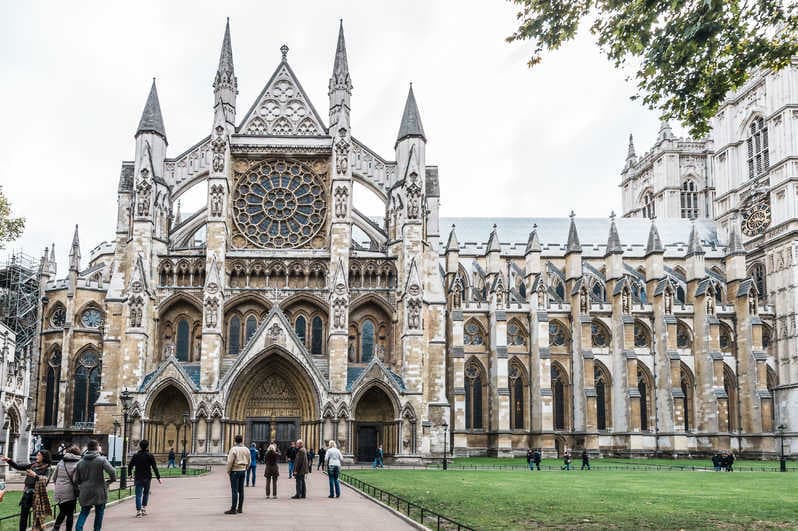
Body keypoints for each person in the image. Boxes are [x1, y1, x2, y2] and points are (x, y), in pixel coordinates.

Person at [3, 449, 52, 531]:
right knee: (23, 517)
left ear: (44, 457)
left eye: (39, 455)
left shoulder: (47, 468)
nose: (37, 456)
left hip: (37, 495)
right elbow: (19, 466)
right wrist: (9, 460)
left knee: (38, 518)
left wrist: (35, 475)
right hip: (27, 494)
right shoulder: (33, 465)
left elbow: (45, 480)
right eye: (37, 455)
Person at [75, 439, 117, 531]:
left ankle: (78, 529)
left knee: (84, 512)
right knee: (99, 513)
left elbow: (76, 479)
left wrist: (82, 485)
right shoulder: (101, 460)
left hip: (85, 491)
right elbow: (112, 471)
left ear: (88, 448)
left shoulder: (80, 462)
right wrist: (110, 481)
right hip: (99, 490)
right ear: (97, 447)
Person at [127, 439, 162, 518]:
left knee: (138, 495)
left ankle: (138, 511)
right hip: (147, 477)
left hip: (138, 477)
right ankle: (143, 508)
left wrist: (129, 474)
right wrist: (158, 478)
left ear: (140, 446)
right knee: (146, 493)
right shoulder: (150, 455)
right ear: (147, 446)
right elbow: (154, 467)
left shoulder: (136, 455)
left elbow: (130, 466)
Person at [51, 444, 81, 531]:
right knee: (70, 513)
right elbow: (75, 480)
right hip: (70, 492)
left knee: (63, 511)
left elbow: (54, 477)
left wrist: (59, 485)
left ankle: (56, 528)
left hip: (59, 491)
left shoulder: (61, 462)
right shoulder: (77, 464)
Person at [225, 434, 250, 515]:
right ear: (242, 440)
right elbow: (249, 460)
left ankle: (233, 509)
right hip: (243, 470)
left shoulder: (233, 449)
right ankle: (240, 508)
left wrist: (228, 471)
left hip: (235, 470)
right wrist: (246, 468)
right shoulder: (246, 449)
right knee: (241, 490)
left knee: (234, 490)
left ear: (235, 441)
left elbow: (230, 461)